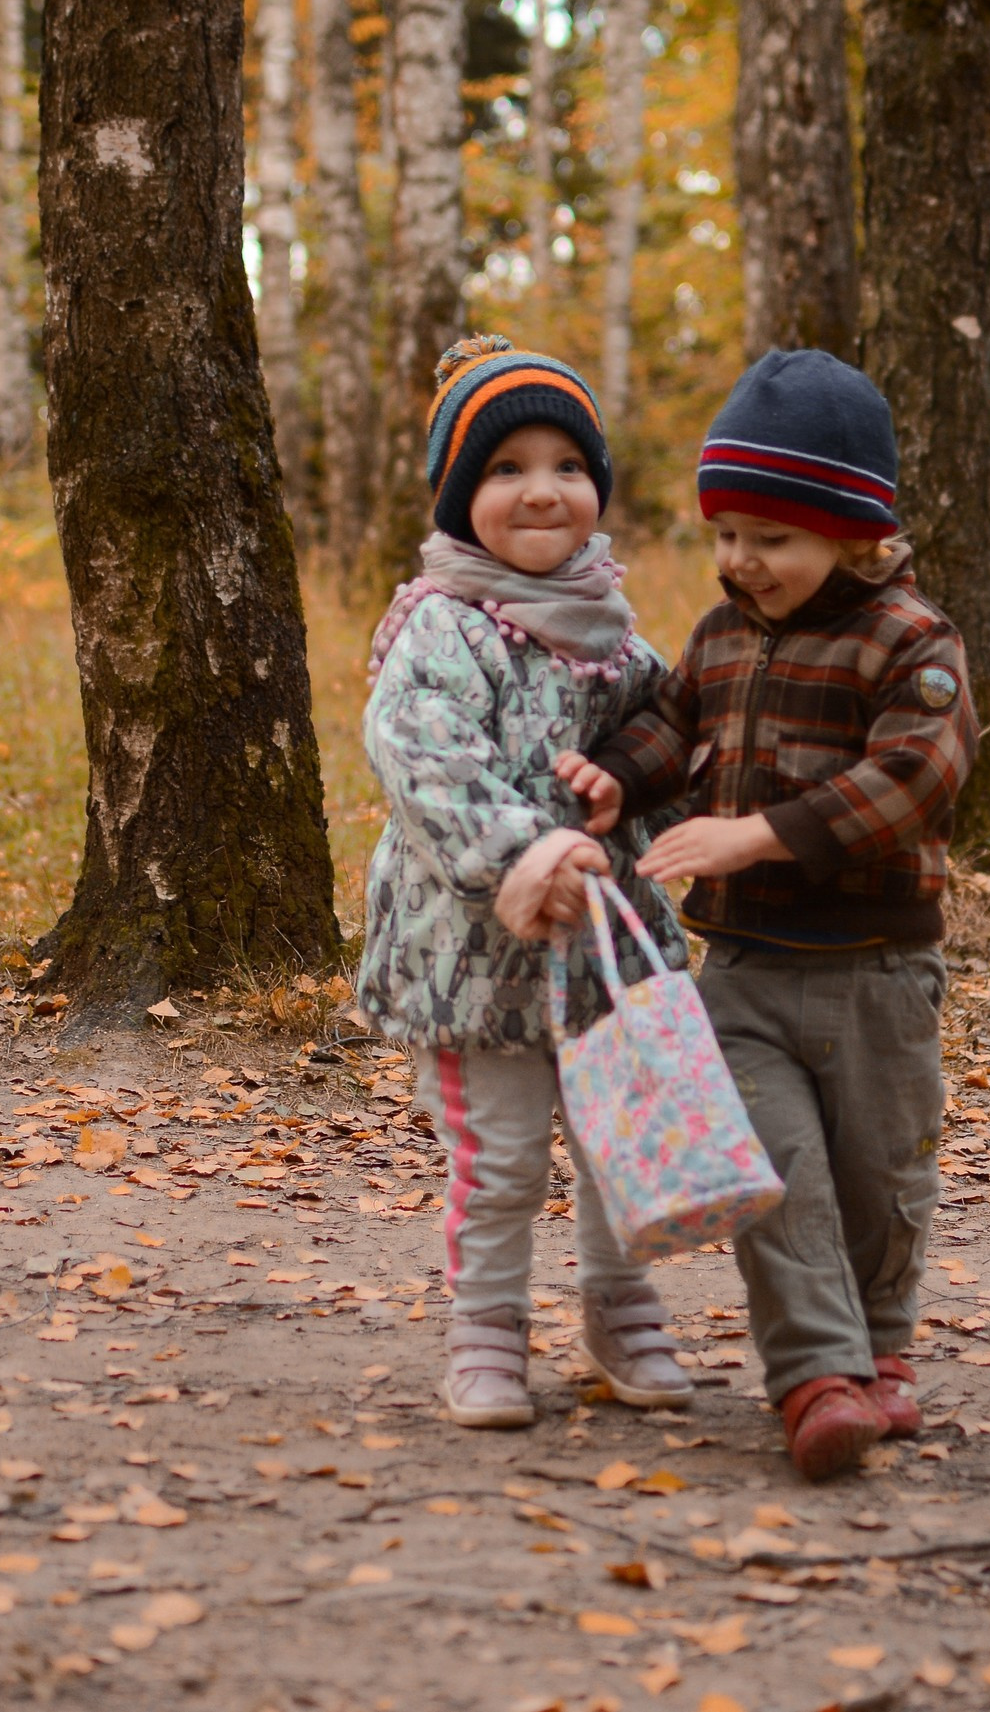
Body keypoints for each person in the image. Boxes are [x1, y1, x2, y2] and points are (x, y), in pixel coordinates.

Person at [558, 349, 977, 1481]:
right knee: (777, 1175)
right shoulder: (719, 634)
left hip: (879, 972)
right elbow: (665, 722)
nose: (742, 562)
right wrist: (615, 777)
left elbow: (915, 779)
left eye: (771, 538)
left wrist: (758, 832)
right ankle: (815, 1379)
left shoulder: (910, 641)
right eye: (725, 534)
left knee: (878, 1179)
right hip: (741, 969)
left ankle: (881, 1348)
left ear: (853, 533)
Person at [357, 334, 696, 1429]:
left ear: (597, 486)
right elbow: (425, 762)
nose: (540, 490)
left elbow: (667, 744)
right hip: (474, 965)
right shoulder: (442, 627)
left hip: (606, 952)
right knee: (501, 1160)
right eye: (504, 469)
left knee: (618, 1148)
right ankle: (486, 1329)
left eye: (565, 463)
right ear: (462, 500)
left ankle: (622, 1305)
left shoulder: (617, 633)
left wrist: (673, 812)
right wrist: (527, 853)